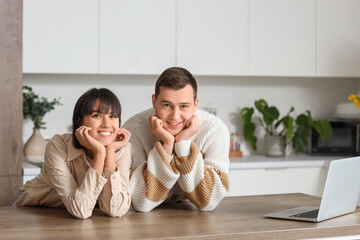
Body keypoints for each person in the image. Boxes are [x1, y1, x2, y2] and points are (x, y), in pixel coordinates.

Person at [123, 67, 230, 212]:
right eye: (167, 105)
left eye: (184, 106)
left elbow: (209, 201)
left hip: (194, 221)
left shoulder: (215, 129)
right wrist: (167, 145)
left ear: (196, 104)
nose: (175, 116)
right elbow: (139, 201)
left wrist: (183, 143)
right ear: (154, 102)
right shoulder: (133, 130)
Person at [14, 88, 132, 219]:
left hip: (73, 215)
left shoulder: (122, 149)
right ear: (79, 121)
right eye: (97, 115)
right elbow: (81, 211)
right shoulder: (57, 146)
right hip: (30, 211)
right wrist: (100, 153)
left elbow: (115, 210)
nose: (106, 124)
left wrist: (109, 152)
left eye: (113, 116)